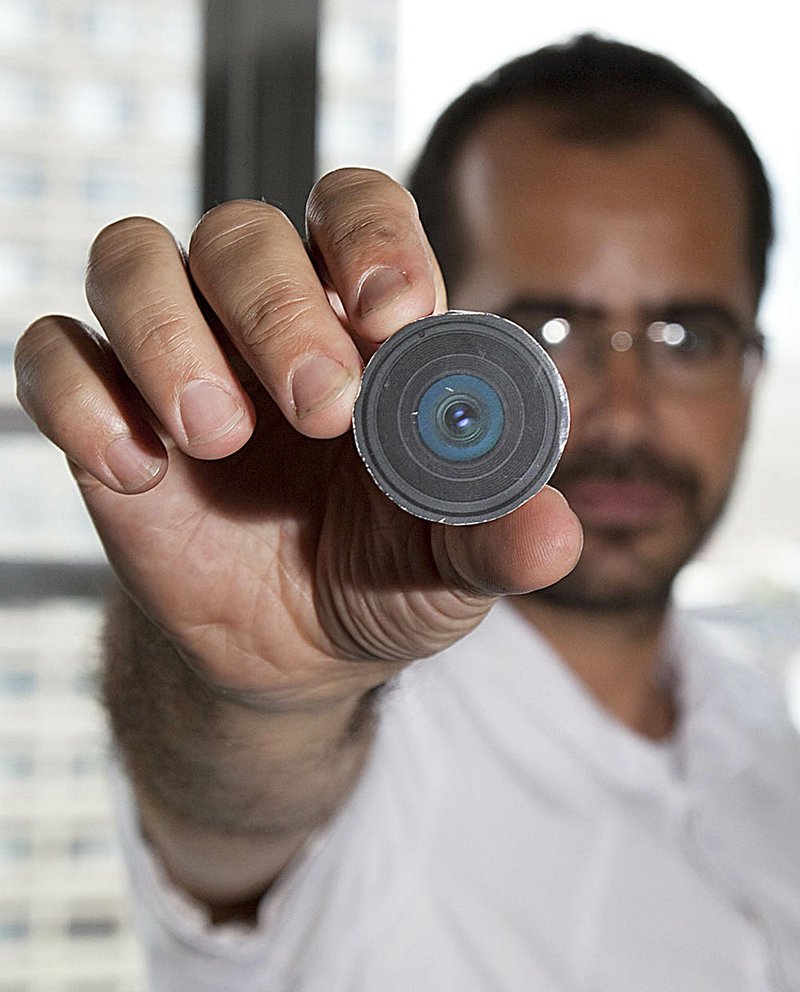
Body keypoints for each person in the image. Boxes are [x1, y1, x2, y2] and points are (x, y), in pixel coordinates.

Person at [14, 33, 800, 991]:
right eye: (549, 328)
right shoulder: (360, 717)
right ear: (436, 342)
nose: (625, 411)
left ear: (754, 361)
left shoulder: (755, 713)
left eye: (689, 334)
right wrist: (263, 697)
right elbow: (233, 812)